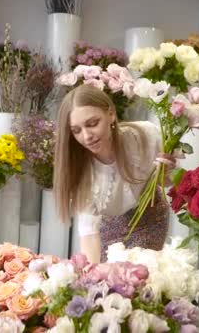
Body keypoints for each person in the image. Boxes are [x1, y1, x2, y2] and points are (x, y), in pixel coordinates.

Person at [54, 84, 176, 263]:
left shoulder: (145, 135)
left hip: (150, 217)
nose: (87, 136)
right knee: (108, 281)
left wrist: (167, 171)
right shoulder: (79, 168)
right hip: (108, 228)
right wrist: (92, 276)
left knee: (142, 278)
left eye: (92, 123)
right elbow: (89, 232)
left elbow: (167, 182)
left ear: (110, 114)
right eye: (77, 130)